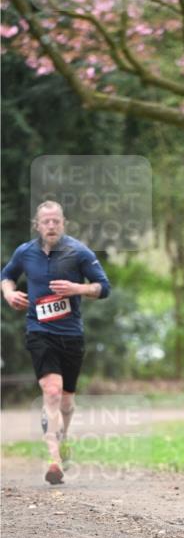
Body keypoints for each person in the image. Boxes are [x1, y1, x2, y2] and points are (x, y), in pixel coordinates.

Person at [1, 200, 111, 484]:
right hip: (39, 331)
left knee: (66, 402)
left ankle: (62, 441)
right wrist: (9, 294)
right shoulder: (25, 253)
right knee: (51, 392)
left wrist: (78, 288)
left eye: (56, 221)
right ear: (37, 225)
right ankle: (54, 460)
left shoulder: (78, 252)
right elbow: (6, 276)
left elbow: (104, 287)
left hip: (71, 335)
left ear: (63, 223)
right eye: (45, 221)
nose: (51, 225)